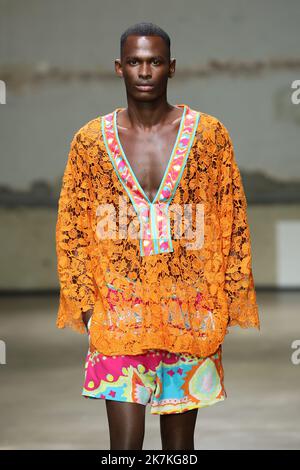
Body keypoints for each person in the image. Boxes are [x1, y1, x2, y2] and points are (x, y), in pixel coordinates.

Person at [55, 22, 260, 450]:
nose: (144, 71)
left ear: (171, 67)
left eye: (154, 62)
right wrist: (89, 308)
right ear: (119, 67)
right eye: (134, 62)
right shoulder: (90, 141)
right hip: (118, 314)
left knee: (179, 451)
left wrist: (223, 301)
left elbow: (232, 218)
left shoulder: (208, 136)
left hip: (188, 313)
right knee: (124, 449)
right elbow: (72, 225)